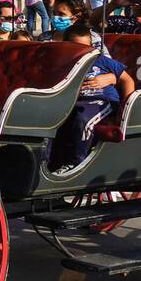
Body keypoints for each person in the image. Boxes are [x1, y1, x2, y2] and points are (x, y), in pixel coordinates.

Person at [50, 23, 135, 171]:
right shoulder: (62, 63)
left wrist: (126, 108)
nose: (83, 52)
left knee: (83, 120)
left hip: (102, 101)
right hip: (74, 102)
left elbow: (127, 80)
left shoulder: (102, 61)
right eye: (76, 47)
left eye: (86, 47)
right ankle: (50, 162)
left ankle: (76, 163)